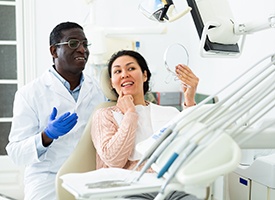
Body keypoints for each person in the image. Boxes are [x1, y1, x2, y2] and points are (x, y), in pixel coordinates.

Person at [6, 21, 106, 200]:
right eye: (73, 43)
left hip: (90, 177)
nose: (82, 50)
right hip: (47, 181)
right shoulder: (29, 94)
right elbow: (16, 154)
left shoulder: (97, 89)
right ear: (54, 51)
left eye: (85, 44)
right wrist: (46, 136)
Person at [91, 50, 200, 199]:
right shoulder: (105, 115)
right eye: (117, 71)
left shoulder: (168, 112)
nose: (124, 74)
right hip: (127, 189)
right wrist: (130, 114)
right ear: (111, 82)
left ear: (144, 75)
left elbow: (192, 147)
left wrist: (189, 100)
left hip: (169, 187)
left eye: (131, 68)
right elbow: (114, 160)